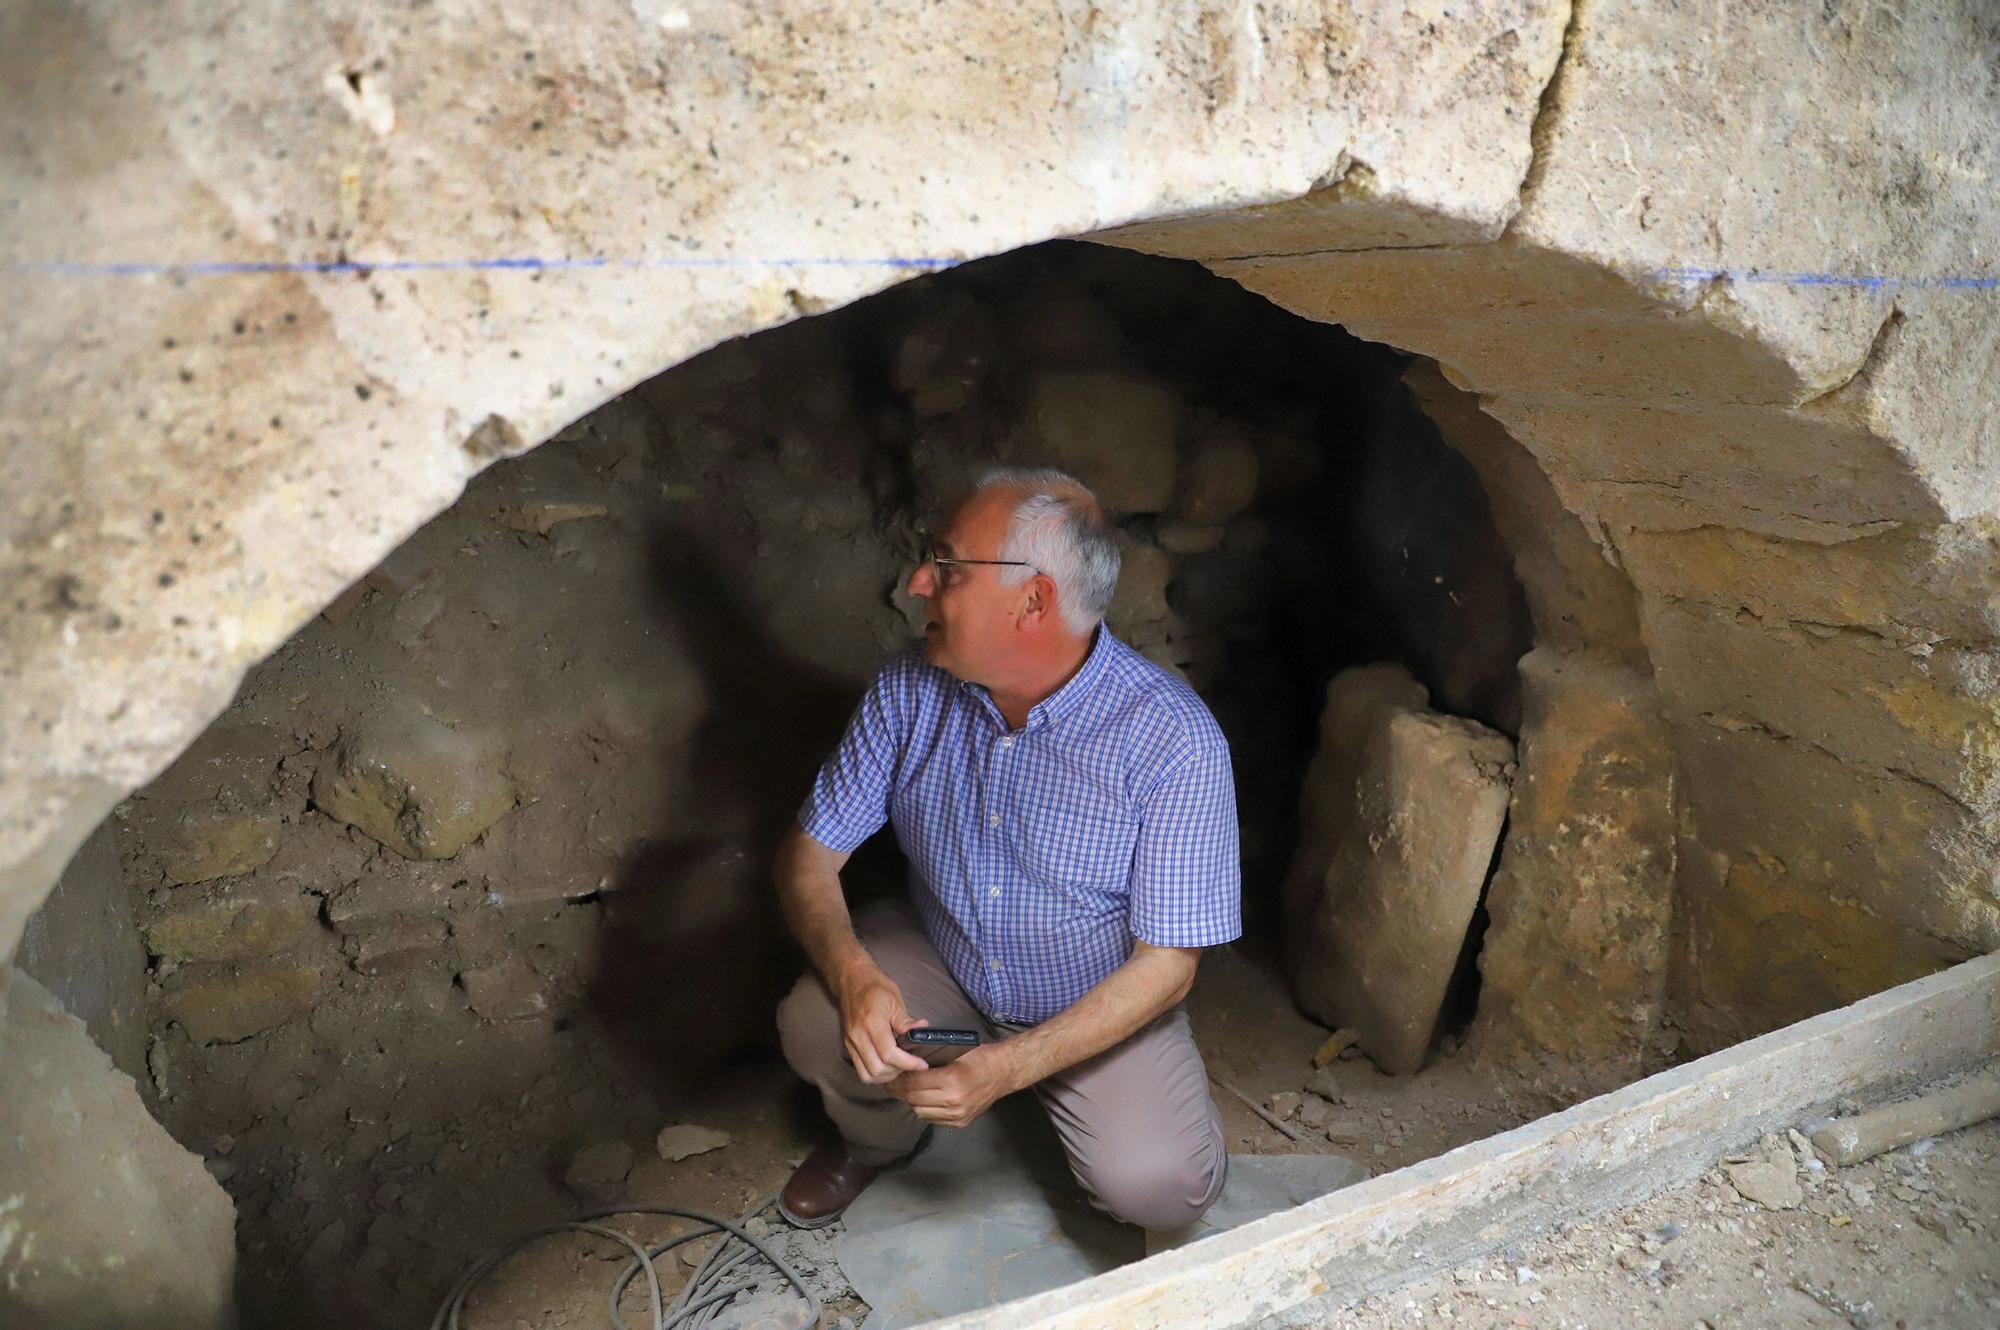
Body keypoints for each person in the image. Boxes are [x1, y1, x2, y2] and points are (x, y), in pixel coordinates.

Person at [772, 465, 1242, 1237]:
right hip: (947, 963)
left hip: (1088, 1001)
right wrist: (858, 978)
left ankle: (1057, 1096)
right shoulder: (908, 691)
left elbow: (1168, 966)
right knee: (816, 1020)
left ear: (1033, 601)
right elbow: (808, 856)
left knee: (1161, 1189)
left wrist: (1011, 1068)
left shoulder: (1172, 742)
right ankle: (873, 1139)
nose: (919, 582)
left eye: (948, 566)